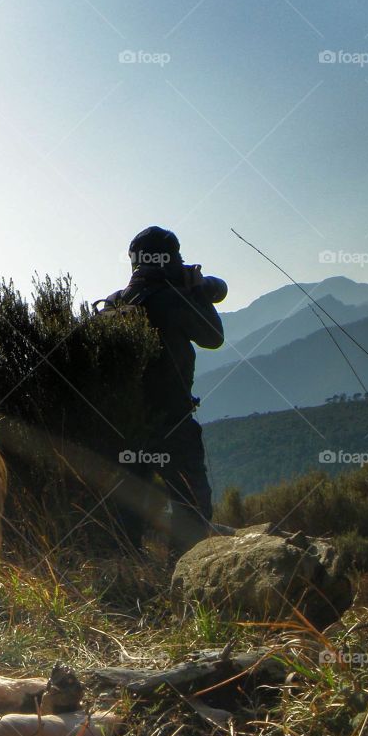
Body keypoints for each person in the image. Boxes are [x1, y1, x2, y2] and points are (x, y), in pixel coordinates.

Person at [103, 226, 227, 552]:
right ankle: (186, 579)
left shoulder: (112, 305)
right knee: (191, 509)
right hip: (172, 422)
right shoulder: (172, 300)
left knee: (128, 509)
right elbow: (214, 337)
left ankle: (128, 577)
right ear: (167, 259)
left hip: (123, 427)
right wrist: (197, 291)